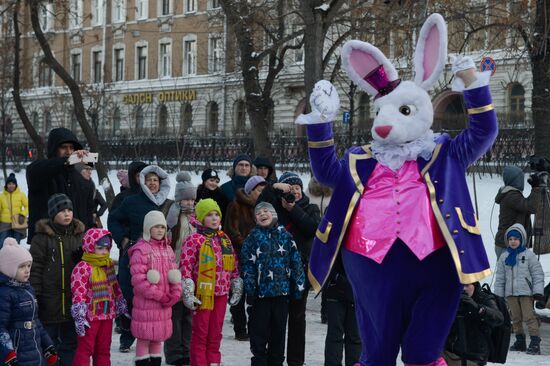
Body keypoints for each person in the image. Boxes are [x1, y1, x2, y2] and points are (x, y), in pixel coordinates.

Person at [258, 171, 321, 366]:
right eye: (290, 188)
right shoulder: (275, 209)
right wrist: (274, 187)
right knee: (276, 318)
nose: (295, 191)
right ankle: (274, 359)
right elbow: (259, 206)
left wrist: (293, 209)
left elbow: (312, 228)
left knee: (297, 318)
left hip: (299, 270)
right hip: (276, 272)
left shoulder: (310, 208)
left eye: (297, 188)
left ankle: (296, 361)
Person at [108, 164, 172, 353]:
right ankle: (127, 334)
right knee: (130, 295)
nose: (152, 183)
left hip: (160, 257)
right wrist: (123, 239)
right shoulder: (130, 201)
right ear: (142, 181)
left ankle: (153, 339)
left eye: (156, 180)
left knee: (155, 298)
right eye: (149, 180)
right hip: (134, 255)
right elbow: (113, 219)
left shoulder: (167, 203)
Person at [241, 202, 305, 366]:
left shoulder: (285, 235)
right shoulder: (252, 237)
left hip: (281, 295)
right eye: (258, 213)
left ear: (274, 214)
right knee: (259, 335)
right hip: (260, 296)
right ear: (255, 219)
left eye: (266, 211)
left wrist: (298, 287)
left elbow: (296, 262)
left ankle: (276, 362)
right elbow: (247, 264)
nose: (263, 214)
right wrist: (250, 288)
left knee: (278, 335)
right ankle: (259, 361)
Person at [180, 198, 242, 366]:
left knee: (215, 333)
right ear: (201, 218)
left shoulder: (224, 239)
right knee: (201, 334)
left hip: (221, 293)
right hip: (202, 295)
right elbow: (185, 266)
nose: (214, 218)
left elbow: (233, 264)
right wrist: (187, 290)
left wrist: (236, 283)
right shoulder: (194, 239)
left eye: (216, 214)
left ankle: (214, 362)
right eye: (209, 215)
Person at [29, 193, 85, 366]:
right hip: (49, 301)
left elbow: (89, 267)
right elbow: (35, 268)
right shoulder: (41, 239)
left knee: (70, 342)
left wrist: (82, 260)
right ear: (53, 214)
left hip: (72, 301)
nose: (67, 214)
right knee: (48, 343)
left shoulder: (79, 236)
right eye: (62, 211)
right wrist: (36, 294)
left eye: (69, 210)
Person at [129, 211, 182, 366]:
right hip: (147, 305)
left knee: (158, 338)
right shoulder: (141, 250)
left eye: (162, 227)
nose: (160, 230)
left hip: (163, 306)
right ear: (147, 228)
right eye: (156, 227)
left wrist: (175, 293)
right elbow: (139, 281)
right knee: (144, 338)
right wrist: (160, 296)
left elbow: (175, 274)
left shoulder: (168, 249)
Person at [70, 228, 129, 366]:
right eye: (100, 248)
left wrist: (120, 302)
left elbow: (115, 287)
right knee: (85, 349)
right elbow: (78, 291)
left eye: (107, 248)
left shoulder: (107, 265)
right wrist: (79, 315)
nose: (104, 252)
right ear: (90, 247)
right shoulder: (83, 267)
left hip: (107, 315)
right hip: (90, 317)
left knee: (103, 350)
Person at [26, 127, 95, 241]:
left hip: (74, 244)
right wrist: (67, 161)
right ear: (54, 149)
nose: (68, 152)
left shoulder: (78, 177)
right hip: (47, 244)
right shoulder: (41, 171)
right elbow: (34, 170)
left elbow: (86, 211)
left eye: (71, 148)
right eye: (64, 147)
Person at [0, 238, 59, 366]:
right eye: (21, 267)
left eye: (28, 266)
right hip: (17, 353)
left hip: (34, 351)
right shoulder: (4, 294)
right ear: (8, 269)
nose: (27, 270)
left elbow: (36, 322)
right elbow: (1, 327)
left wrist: (48, 346)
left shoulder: (29, 289)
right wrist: (7, 352)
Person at [224, 175, 267, 341]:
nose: (262, 193)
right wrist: (249, 246)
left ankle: (254, 327)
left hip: (258, 259)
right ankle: (240, 329)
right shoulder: (235, 205)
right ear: (250, 191)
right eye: (259, 190)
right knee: (238, 293)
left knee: (255, 295)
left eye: (264, 190)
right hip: (239, 256)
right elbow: (232, 231)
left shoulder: (263, 208)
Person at [494, 223, 544, 355]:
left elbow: (537, 273)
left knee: (529, 317)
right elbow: (500, 277)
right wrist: (498, 295)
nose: (513, 242)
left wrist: (537, 291)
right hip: (510, 294)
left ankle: (535, 341)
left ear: (521, 239)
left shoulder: (528, 255)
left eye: (516, 239)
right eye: (510, 239)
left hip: (526, 293)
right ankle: (520, 341)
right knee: (515, 318)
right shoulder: (504, 257)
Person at [164, 172, 196, 366]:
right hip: (174, 271)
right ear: (178, 199)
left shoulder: (196, 219)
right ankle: (174, 352)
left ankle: (187, 350)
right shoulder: (171, 217)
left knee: (188, 314)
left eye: (192, 199)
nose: (190, 203)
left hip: (191, 273)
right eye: (186, 199)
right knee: (174, 315)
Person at [444, 282, 504, 366]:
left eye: (467, 285)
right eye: (461, 286)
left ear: (474, 286)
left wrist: (479, 309)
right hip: (451, 352)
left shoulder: (483, 297)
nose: (464, 289)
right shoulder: (450, 297)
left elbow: (499, 318)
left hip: (475, 354)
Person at [323, 255, 361, 366]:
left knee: (354, 336)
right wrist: (336, 277)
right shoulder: (333, 237)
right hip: (335, 290)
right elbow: (325, 258)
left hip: (355, 291)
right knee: (335, 335)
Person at [494, 165, 536, 258]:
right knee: (509, 272)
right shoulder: (512, 196)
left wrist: (535, 188)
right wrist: (536, 189)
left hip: (509, 243)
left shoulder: (511, 194)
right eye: (520, 178)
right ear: (514, 180)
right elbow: (531, 207)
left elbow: (526, 205)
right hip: (508, 245)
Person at [75, 163, 108, 228]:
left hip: (92, 223)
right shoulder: (73, 188)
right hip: (77, 223)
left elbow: (104, 204)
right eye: (87, 169)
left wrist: (97, 214)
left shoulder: (94, 191)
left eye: (90, 169)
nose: (90, 172)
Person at [0, 173, 28, 245]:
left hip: (17, 221)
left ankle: (15, 256)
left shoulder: (21, 194)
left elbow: (28, 206)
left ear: (16, 185)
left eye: (13, 184)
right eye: (9, 184)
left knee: (16, 243)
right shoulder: (1, 196)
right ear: (6, 185)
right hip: (4, 223)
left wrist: (22, 214)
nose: (11, 185)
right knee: (2, 243)